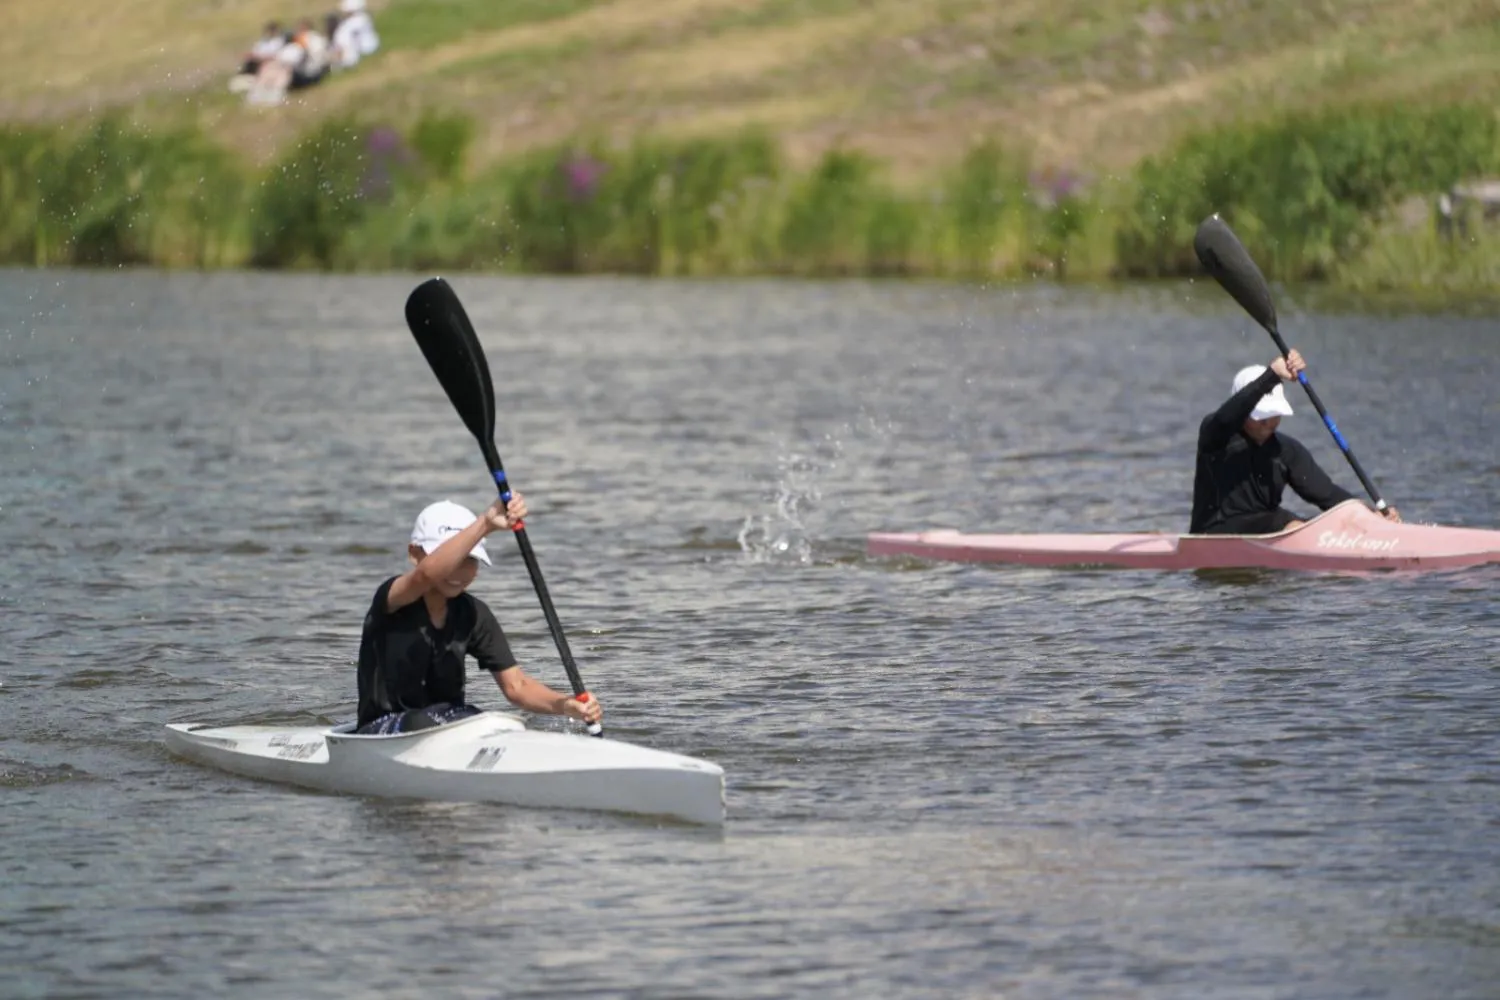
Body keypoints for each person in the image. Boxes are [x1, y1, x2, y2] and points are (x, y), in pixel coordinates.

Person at [355, 496, 604, 735]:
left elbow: (517, 687)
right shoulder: (392, 599)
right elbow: (426, 576)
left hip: (447, 723)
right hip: (382, 728)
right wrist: (486, 523)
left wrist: (565, 705)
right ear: (414, 554)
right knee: (430, 720)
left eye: (469, 560)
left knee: (485, 718)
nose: (457, 570)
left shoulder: (474, 614)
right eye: (450, 557)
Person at [1189, 349, 1401, 535]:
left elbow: (1328, 495)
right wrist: (1272, 375)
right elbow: (1227, 416)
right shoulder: (1216, 437)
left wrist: (1371, 515)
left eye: (1274, 414)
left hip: (1269, 529)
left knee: (1320, 525)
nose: (1268, 423)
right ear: (1242, 413)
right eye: (1261, 416)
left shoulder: (1286, 451)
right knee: (1292, 525)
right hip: (1213, 531)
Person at [330, 0, 381, 70]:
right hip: (373, 47)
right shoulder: (365, 18)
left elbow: (342, 41)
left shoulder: (349, 25)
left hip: (360, 52)